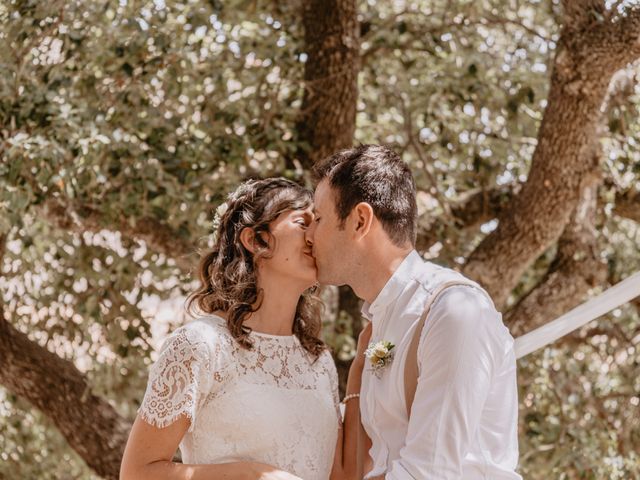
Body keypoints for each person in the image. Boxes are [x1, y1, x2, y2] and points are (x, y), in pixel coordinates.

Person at [120, 177, 364, 480]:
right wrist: (251, 475)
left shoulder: (319, 361)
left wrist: (361, 378)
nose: (316, 235)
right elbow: (138, 473)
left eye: (320, 223)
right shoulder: (199, 345)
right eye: (303, 222)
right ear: (256, 240)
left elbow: (339, 476)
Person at [305, 145, 521, 479]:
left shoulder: (453, 311)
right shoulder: (380, 324)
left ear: (360, 221)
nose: (308, 235)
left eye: (318, 219)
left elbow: (430, 472)